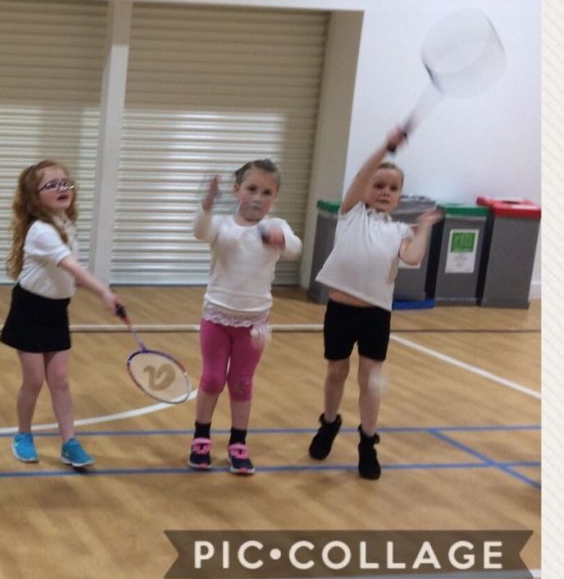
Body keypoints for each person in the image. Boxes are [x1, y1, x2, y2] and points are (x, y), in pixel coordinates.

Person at [308, 129, 441, 479]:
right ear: (365, 187)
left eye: (393, 188)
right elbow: (360, 175)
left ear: (399, 197)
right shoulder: (351, 214)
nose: (385, 192)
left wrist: (425, 228)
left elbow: (412, 258)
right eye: (378, 185)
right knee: (336, 372)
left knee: (370, 380)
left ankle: (367, 443)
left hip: (376, 316)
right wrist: (386, 146)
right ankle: (329, 424)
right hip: (340, 311)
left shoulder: (399, 232)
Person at [0, 160, 124, 470]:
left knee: (60, 380)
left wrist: (91, 290)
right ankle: (23, 435)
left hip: (56, 310)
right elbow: (72, 267)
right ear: (34, 197)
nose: (62, 188)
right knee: (34, 381)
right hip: (29, 309)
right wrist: (104, 292)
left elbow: (70, 275)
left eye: (65, 182)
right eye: (51, 185)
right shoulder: (41, 231)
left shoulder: (65, 224)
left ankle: (70, 442)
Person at [189, 163, 302, 475]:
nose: (257, 198)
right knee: (212, 379)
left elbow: (295, 248)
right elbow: (200, 232)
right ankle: (201, 438)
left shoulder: (276, 226)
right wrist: (207, 204)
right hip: (216, 316)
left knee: (241, 383)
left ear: (275, 197)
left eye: (266, 192)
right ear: (237, 190)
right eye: (251, 189)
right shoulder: (221, 224)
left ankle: (238, 443)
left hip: (254, 324)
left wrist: (281, 239)